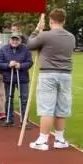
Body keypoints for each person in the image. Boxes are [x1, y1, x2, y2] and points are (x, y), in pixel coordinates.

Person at [26, 10, 76, 151]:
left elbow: (30, 45)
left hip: (48, 74)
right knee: (61, 108)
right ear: (64, 21)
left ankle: (42, 141)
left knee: (47, 108)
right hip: (66, 75)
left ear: (51, 21)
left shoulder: (45, 35)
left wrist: (37, 30)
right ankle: (59, 139)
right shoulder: (71, 37)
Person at [0, 31, 33, 127]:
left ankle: (25, 120)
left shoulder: (25, 49)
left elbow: (30, 62)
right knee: (9, 98)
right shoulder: (3, 49)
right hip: (8, 77)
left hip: (22, 77)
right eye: (13, 39)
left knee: (24, 99)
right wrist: (8, 65)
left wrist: (20, 65)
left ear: (20, 40)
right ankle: (9, 119)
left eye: (17, 39)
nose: (15, 41)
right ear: (10, 40)